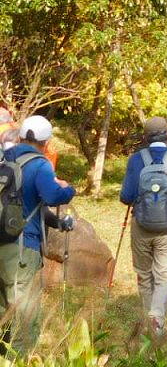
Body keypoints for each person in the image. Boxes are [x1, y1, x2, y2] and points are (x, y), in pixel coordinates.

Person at [0, 116, 75, 356]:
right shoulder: (40, 164)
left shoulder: (5, 160)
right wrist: (68, 189)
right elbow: (53, 196)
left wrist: (56, 221)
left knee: (4, 314)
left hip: (2, 245)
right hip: (23, 248)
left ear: (21, 136)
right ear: (46, 142)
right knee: (25, 317)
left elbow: (29, 204)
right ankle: (18, 360)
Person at [119, 117, 167, 335]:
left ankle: (148, 322)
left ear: (145, 137)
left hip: (141, 226)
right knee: (165, 275)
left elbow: (126, 197)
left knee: (144, 275)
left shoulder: (136, 160)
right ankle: (157, 320)